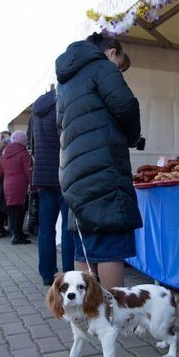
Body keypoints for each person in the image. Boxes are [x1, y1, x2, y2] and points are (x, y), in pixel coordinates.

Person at [55, 32, 142, 289]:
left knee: (85, 246)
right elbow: (126, 105)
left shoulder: (65, 82)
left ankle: (90, 317)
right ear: (111, 52)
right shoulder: (102, 66)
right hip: (103, 167)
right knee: (109, 245)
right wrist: (132, 136)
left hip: (73, 170)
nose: (119, 70)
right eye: (120, 64)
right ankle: (113, 318)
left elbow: (60, 125)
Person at [28, 89, 75, 286]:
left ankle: (47, 274)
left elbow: (31, 144)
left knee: (46, 229)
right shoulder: (64, 104)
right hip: (64, 175)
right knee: (67, 228)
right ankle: (70, 274)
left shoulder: (35, 111)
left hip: (42, 176)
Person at [0, 130, 32, 244]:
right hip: (20, 185)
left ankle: (15, 232)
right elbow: (28, 172)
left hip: (7, 184)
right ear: (23, 141)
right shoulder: (23, 153)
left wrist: (7, 175)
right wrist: (32, 183)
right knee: (19, 209)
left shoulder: (4, 153)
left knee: (11, 209)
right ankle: (17, 236)